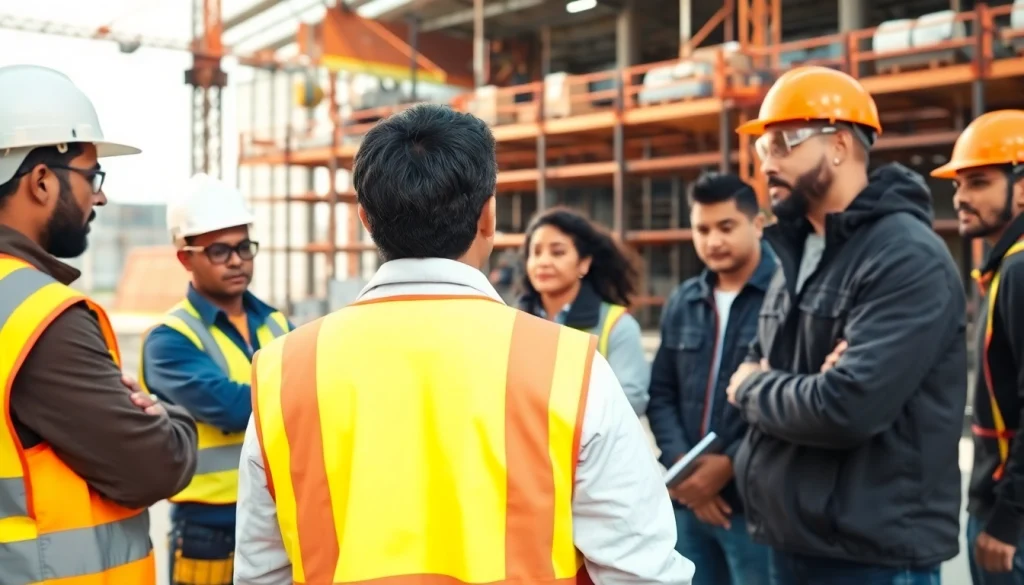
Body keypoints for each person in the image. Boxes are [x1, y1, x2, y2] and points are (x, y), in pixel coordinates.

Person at [233, 103, 694, 585]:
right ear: (489, 215)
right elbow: (642, 571)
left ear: (365, 219)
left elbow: (261, 572)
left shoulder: (284, 372)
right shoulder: (568, 366)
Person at [723, 65, 967, 584]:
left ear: (837, 144)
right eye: (762, 150)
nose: (766, 163)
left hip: (869, 554)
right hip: (794, 536)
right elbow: (757, 355)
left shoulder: (905, 257)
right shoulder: (802, 250)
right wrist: (795, 382)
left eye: (783, 144)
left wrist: (753, 388)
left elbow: (845, 407)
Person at [0, 64, 198, 583]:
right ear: (41, 180)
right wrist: (172, 420)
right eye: (92, 176)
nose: (101, 197)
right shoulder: (37, 316)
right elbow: (154, 465)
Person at [139, 173, 293, 585]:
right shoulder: (169, 340)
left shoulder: (277, 322)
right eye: (220, 250)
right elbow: (228, 406)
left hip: (281, 513)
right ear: (185, 258)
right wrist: (298, 397)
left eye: (244, 247)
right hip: (208, 527)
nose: (237, 260)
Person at [648, 172, 775, 585]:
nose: (713, 240)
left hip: (755, 506)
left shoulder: (786, 294)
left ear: (757, 224)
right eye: (702, 229)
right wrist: (687, 471)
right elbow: (662, 393)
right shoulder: (684, 301)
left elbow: (789, 394)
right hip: (686, 503)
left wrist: (729, 466)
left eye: (726, 227)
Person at [931, 110, 1024, 584]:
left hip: (1012, 525)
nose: (961, 198)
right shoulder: (1005, 265)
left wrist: (1008, 520)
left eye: (979, 182)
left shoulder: (1021, 270)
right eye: (958, 185)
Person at [518, 206, 650, 415]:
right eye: (536, 252)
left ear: (584, 264)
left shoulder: (617, 326)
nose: (543, 262)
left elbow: (632, 400)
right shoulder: (513, 322)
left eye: (557, 252)